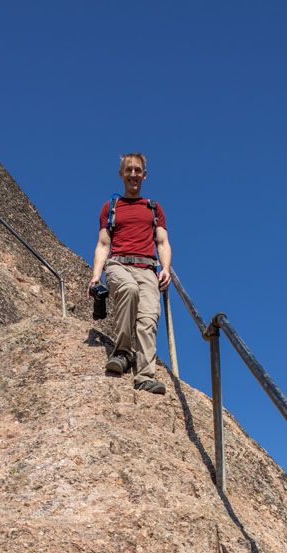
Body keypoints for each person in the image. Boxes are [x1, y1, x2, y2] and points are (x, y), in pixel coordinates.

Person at [89, 152, 172, 395]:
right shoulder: (111, 207)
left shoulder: (154, 209)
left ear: (144, 175)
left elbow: (163, 242)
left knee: (148, 320)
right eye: (129, 170)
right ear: (121, 174)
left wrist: (165, 268)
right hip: (119, 264)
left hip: (147, 268)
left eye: (138, 170)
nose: (133, 174)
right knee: (128, 289)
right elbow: (103, 243)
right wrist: (96, 276)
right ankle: (123, 352)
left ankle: (144, 376)